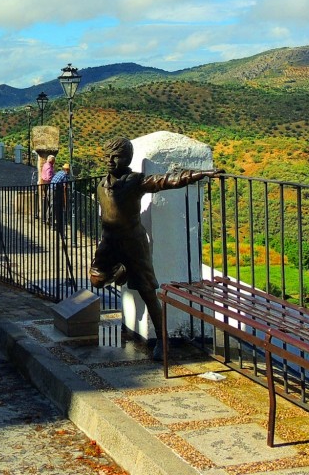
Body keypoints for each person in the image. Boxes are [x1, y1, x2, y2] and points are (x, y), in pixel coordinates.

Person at [91, 136, 223, 360]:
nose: (110, 161)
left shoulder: (135, 181)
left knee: (148, 293)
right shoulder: (101, 185)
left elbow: (167, 180)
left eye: (116, 156)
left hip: (133, 243)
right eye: (107, 156)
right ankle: (122, 270)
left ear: (127, 159)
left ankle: (163, 341)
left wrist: (201, 174)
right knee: (97, 279)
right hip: (109, 241)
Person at [49, 163, 72, 230]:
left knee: (51, 205)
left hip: (50, 189)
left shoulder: (59, 172)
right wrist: (65, 198)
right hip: (55, 191)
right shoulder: (64, 175)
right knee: (54, 206)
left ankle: (48, 220)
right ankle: (52, 224)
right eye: (68, 170)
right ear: (67, 170)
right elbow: (65, 187)